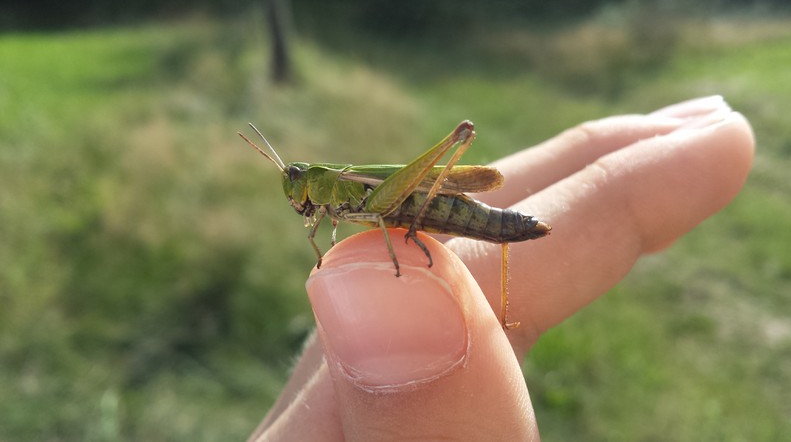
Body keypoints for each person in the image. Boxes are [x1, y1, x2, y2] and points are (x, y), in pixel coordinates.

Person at [249, 96, 755, 441]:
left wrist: (401, 230)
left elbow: (376, 210)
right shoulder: (324, 212)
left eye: (295, 178)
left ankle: (426, 222)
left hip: (415, 203)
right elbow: (329, 228)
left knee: (425, 187)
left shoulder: (331, 182)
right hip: (399, 206)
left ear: (310, 179)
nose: (295, 189)